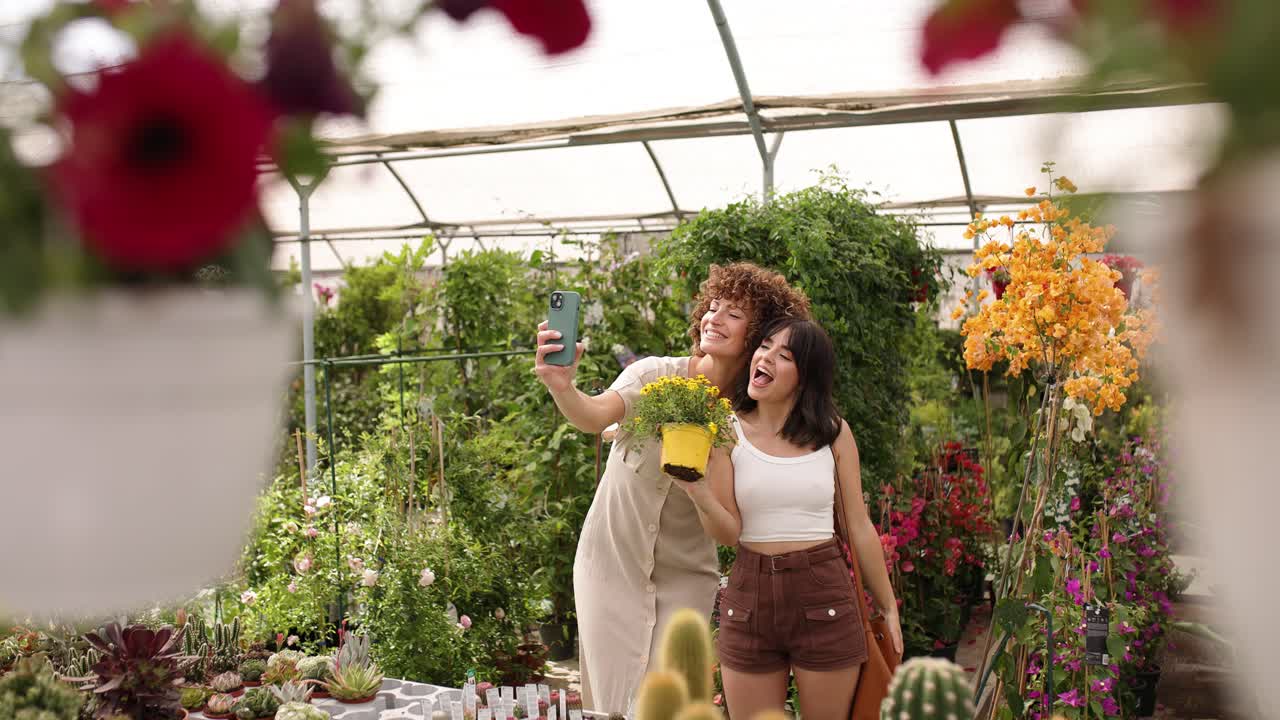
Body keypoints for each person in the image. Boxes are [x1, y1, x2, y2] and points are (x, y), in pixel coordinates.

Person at [533, 262, 811, 715]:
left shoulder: (745, 421)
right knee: (611, 705)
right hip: (610, 569)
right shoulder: (654, 376)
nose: (714, 318)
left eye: (734, 314)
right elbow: (592, 415)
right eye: (713, 307)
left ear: (758, 334)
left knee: (667, 707)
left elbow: (730, 524)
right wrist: (563, 387)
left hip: (685, 581)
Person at [676, 317, 903, 720]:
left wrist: (888, 606)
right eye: (764, 347)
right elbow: (727, 533)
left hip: (823, 594)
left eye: (784, 356)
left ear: (805, 377)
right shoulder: (727, 430)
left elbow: (858, 523)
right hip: (750, 597)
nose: (765, 358)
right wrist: (698, 493)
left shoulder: (832, 433)